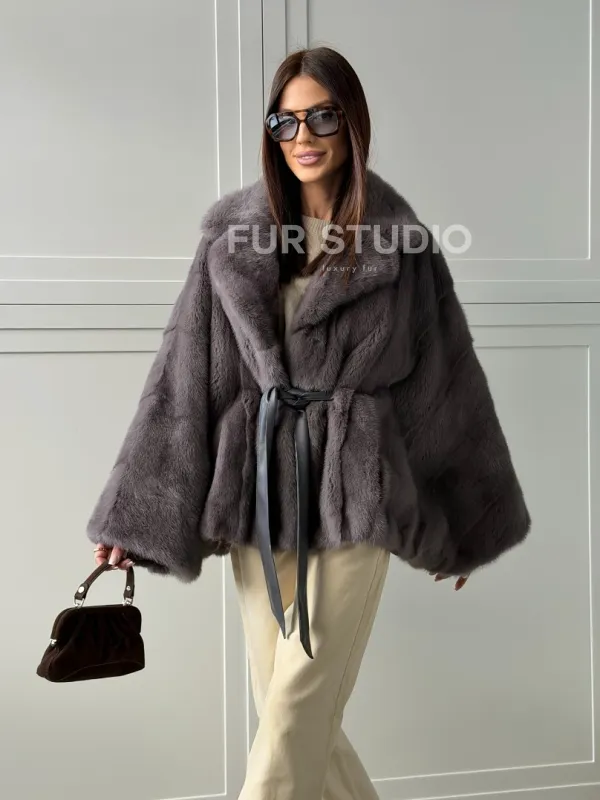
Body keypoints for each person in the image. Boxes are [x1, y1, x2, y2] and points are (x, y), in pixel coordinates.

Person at [88, 46, 531, 800]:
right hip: (259, 492)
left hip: (358, 486)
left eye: (322, 116)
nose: (303, 135)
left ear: (352, 122)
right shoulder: (231, 242)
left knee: (295, 712)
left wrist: (466, 515)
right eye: (286, 120)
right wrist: (134, 517)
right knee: (289, 713)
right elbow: (183, 380)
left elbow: (442, 383)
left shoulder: (403, 246)